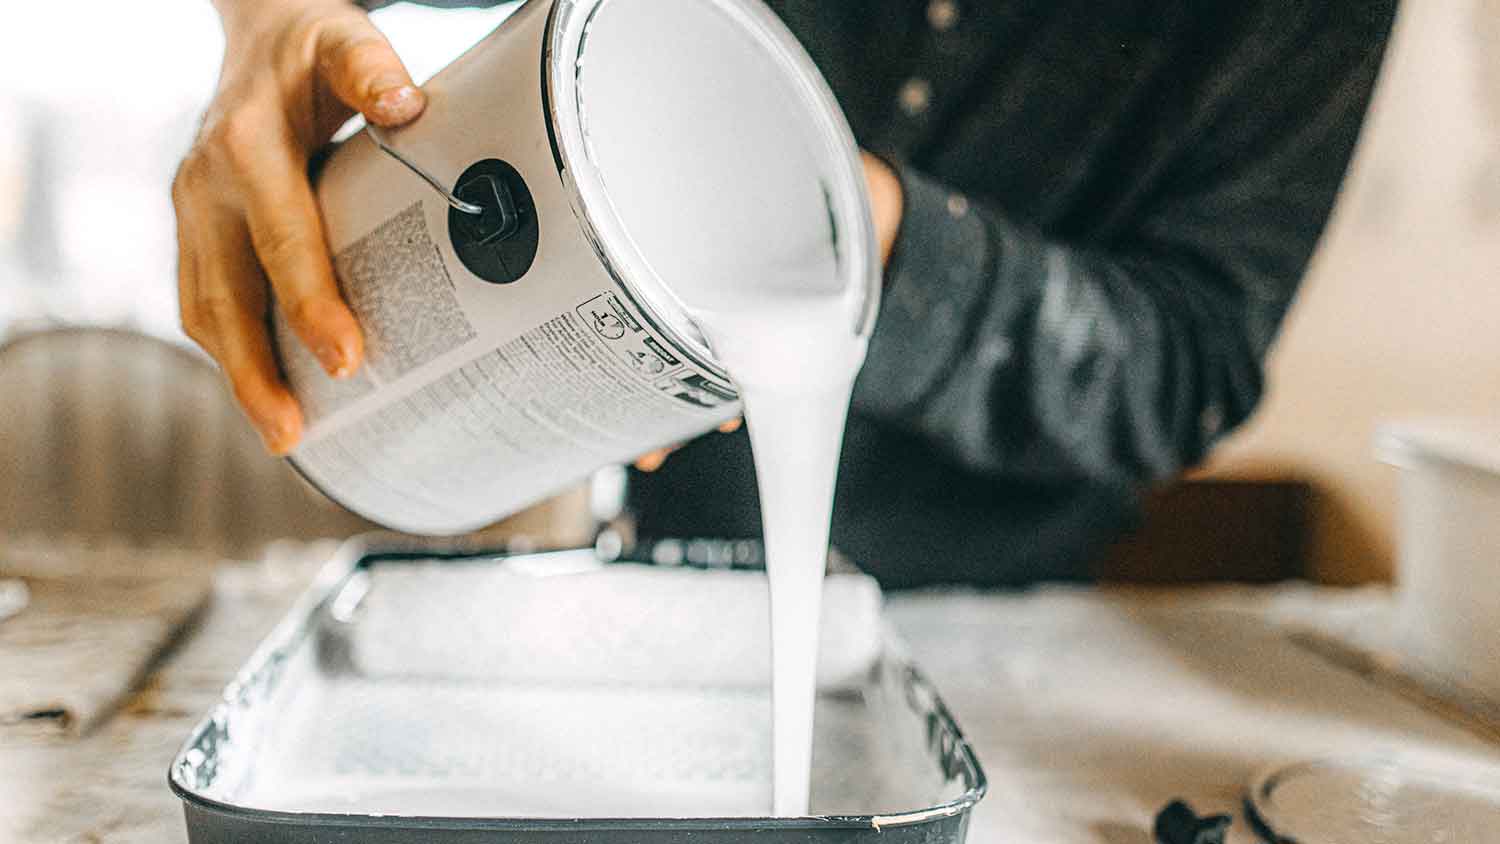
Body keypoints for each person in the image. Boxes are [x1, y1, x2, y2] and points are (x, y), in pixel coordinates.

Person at [173, 0, 1398, 587]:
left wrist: (864, 233)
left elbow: (1193, 361)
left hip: (993, 616)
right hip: (626, 547)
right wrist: (270, 20)